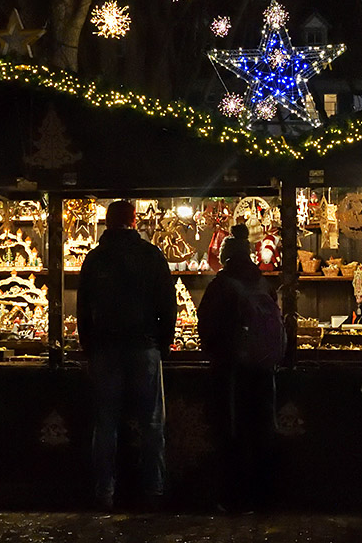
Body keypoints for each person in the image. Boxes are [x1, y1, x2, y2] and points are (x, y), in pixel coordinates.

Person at [77, 200, 175, 512]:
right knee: (151, 423)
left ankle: (105, 491)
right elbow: (168, 304)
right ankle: (153, 490)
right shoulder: (150, 255)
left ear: (107, 222)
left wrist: (89, 347)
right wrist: (162, 343)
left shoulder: (95, 259)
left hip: (105, 349)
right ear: (134, 221)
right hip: (144, 346)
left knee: (105, 423)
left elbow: (83, 309)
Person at [197, 223, 285, 513]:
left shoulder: (221, 286)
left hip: (231, 369)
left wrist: (215, 353)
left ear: (226, 257)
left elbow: (207, 326)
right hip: (264, 368)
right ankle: (265, 496)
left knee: (232, 431)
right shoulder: (262, 284)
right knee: (262, 430)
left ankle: (233, 498)